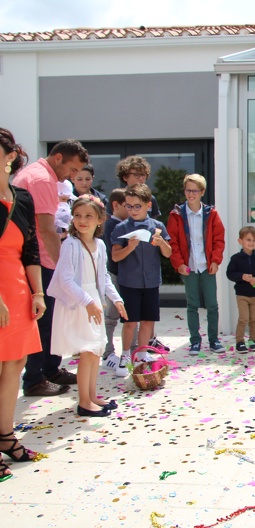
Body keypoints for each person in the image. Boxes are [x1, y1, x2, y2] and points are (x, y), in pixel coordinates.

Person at [14, 139, 89, 397]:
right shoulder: (42, 179)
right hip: (41, 261)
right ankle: (35, 379)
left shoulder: (36, 174)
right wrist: (62, 268)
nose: (72, 177)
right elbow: (46, 230)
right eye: (72, 170)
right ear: (58, 158)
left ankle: (49, 369)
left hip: (38, 259)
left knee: (51, 320)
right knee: (44, 322)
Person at [48, 196, 126, 417]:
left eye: (88, 216)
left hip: (93, 300)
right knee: (87, 350)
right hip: (79, 301)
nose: (82, 220)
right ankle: (83, 402)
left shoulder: (100, 245)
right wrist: (87, 302)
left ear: (100, 220)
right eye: (78, 215)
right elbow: (65, 279)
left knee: (96, 350)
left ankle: (92, 396)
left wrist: (116, 298)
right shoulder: (70, 244)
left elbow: (104, 277)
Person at [0, 129, 46, 479]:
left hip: (17, 288)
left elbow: (31, 250)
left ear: (10, 157)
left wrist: (38, 293)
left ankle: (5, 435)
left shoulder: (23, 199)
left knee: (15, 363)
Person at [109, 184, 171, 376]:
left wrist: (162, 243)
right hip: (130, 282)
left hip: (151, 281)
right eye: (129, 206)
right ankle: (125, 355)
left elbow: (168, 253)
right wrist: (129, 247)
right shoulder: (121, 228)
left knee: (147, 320)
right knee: (130, 322)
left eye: (137, 206)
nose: (133, 210)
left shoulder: (157, 227)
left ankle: (142, 354)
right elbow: (115, 257)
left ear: (148, 205)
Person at [167, 174, 225, 355]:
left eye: (195, 191)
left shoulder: (211, 214)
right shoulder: (177, 214)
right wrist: (179, 264)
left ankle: (214, 340)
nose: (191, 194)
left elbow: (219, 239)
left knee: (212, 304)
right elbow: (173, 242)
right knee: (192, 305)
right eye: (188, 190)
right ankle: (195, 341)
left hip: (207, 265)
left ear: (202, 192)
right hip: (189, 265)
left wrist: (215, 260)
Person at [226, 227, 255, 353]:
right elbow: (230, 274)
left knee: (253, 319)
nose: (251, 242)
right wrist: (242, 276)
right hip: (242, 294)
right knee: (244, 318)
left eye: (254, 240)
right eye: (248, 240)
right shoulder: (235, 258)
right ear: (240, 241)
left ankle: (253, 340)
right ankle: (240, 342)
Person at [102, 189, 129, 360]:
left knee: (129, 316)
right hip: (115, 274)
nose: (131, 209)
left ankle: (132, 349)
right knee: (111, 316)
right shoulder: (111, 225)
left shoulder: (127, 223)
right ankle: (107, 351)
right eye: (127, 206)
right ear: (116, 205)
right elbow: (114, 253)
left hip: (127, 275)